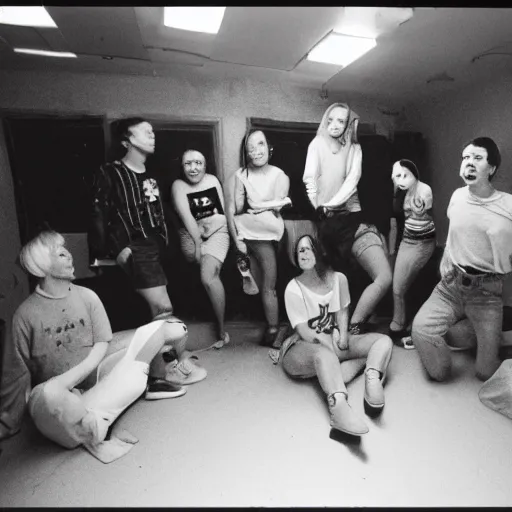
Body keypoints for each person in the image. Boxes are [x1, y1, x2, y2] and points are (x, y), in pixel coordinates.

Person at [0, 231, 207, 462]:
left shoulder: (87, 296)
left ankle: (141, 387)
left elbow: (102, 345)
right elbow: (17, 375)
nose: (69, 255)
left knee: (173, 327)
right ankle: (96, 417)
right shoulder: (24, 315)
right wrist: (9, 422)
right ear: (42, 266)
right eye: (60, 253)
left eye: (66, 249)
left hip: (97, 376)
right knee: (47, 395)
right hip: (62, 397)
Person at [412, 137, 512, 383]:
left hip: (487, 293)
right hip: (451, 285)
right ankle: (484, 337)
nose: (469, 163)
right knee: (422, 331)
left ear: (492, 168)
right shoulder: (457, 196)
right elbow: (455, 230)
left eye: (477, 158)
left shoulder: (508, 203)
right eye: (465, 157)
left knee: (485, 373)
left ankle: (501, 334)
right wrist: (446, 254)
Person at [275, 234, 393, 436]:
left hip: (331, 339)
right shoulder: (292, 288)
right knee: (325, 356)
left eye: (309, 248)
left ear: (319, 251)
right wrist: (330, 346)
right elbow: (303, 330)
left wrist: (344, 337)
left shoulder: (339, 279)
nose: (303, 253)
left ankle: (372, 377)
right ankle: (339, 408)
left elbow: (342, 311)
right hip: (301, 346)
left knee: (382, 341)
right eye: (300, 250)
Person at [303, 103, 392, 335]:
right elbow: (309, 179)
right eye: (330, 119)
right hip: (329, 228)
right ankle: (338, 328)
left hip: (356, 222)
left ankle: (354, 325)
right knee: (338, 284)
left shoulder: (355, 148)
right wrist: (318, 208)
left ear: (348, 125)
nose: (334, 125)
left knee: (383, 276)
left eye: (341, 121)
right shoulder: (317, 144)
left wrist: (328, 205)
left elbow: (352, 181)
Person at [89, 117, 173, 321]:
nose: (153, 135)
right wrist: (111, 251)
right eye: (145, 131)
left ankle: (164, 352)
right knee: (163, 308)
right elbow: (98, 214)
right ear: (127, 140)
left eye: (152, 131)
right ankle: (172, 352)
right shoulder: (111, 172)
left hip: (156, 249)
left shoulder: (152, 175)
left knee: (158, 310)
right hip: (133, 248)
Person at [227, 129, 292, 347]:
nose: (256, 151)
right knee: (266, 286)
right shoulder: (240, 175)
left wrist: (256, 206)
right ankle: (273, 328)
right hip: (248, 235)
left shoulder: (280, 175)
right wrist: (237, 240)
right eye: (250, 148)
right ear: (245, 152)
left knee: (269, 285)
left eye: (260, 144)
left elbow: (280, 204)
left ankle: (274, 328)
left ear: (269, 147)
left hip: (273, 235)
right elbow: (234, 210)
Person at [171, 149, 230, 349]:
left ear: (205, 166)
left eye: (198, 163)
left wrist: (210, 231)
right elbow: (187, 218)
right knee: (191, 257)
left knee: (208, 277)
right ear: (182, 167)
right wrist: (197, 245)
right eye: (188, 163)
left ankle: (221, 330)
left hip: (217, 233)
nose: (193, 168)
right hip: (191, 234)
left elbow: (221, 214)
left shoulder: (213, 180)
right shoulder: (178, 186)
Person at [388, 159, 436, 343]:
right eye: (397, 176)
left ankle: (412, 324)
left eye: (405, 175)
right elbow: (394, 221)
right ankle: (399, 322)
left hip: (424, 243)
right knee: (398, 287)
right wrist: (392, 251)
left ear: (414, 174)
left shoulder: (424, 190)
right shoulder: (398, 192)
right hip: (407, 242)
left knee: (406, 285)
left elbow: (420, 212)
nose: (401, 179)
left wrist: (416, 204)